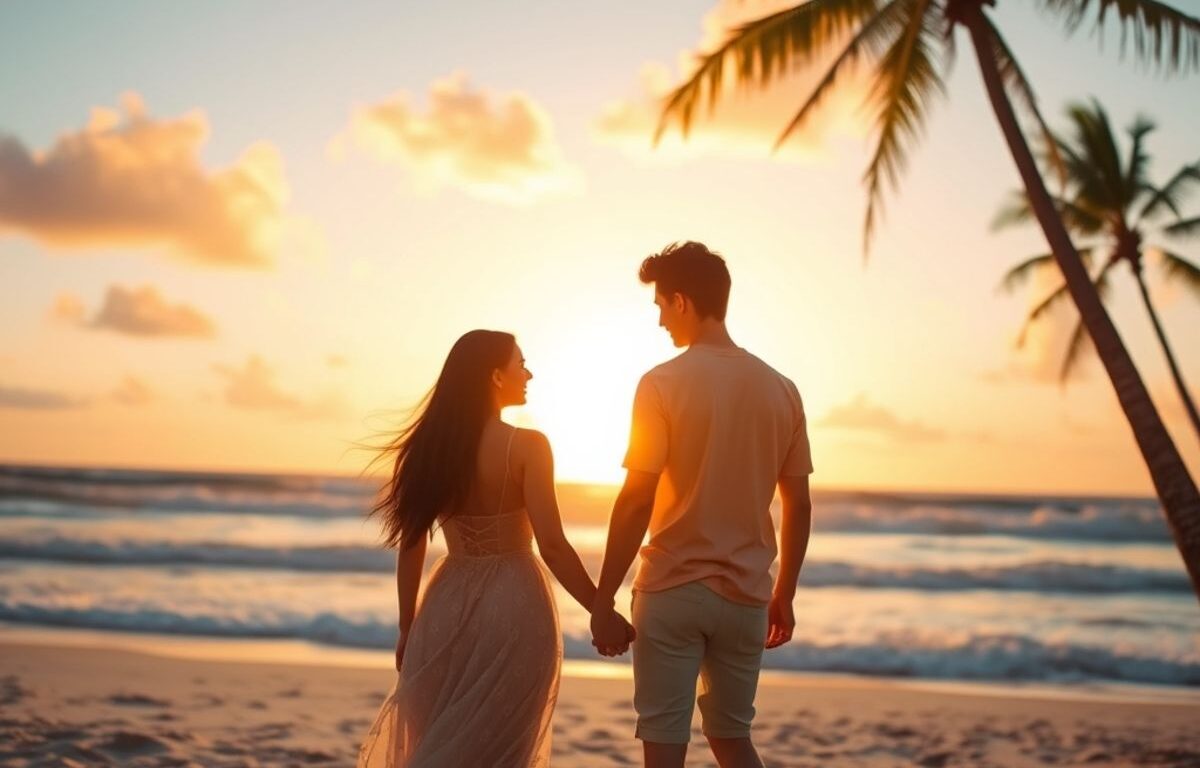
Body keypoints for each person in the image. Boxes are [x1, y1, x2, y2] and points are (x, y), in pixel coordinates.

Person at [357, 329, 632, 767]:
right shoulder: (527, 446)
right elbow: (554, 547)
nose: (529, 373)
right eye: (520, 364)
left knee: (438, 738)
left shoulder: (428, 449)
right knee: (504, 750)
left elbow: (410, 547)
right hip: (516, 605)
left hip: (444, 609)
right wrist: (601, 609)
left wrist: (408, 627)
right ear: (494, 376)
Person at [590, 242, 814, 768]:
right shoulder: (783, 389)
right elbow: (798, 504)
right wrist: (785, 593)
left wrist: (604, 598)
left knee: (665, 747)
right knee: (734, 740)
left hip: (673, 589)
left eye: (662, 307)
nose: (662, 321)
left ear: (683, 301)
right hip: (747, 600)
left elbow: (636, 497)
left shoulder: (662, 383)